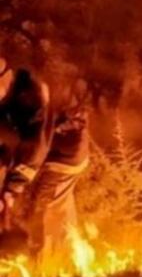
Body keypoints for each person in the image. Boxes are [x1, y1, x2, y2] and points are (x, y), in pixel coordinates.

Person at [0, 59, 90, 262]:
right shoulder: (18, 88)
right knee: (59, 212)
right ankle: (70, 263)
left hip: (62, 157)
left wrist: (11, 190)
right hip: (57, 149)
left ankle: (45, 274)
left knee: (43, 211)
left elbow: (37, 149)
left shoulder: (35, 96)